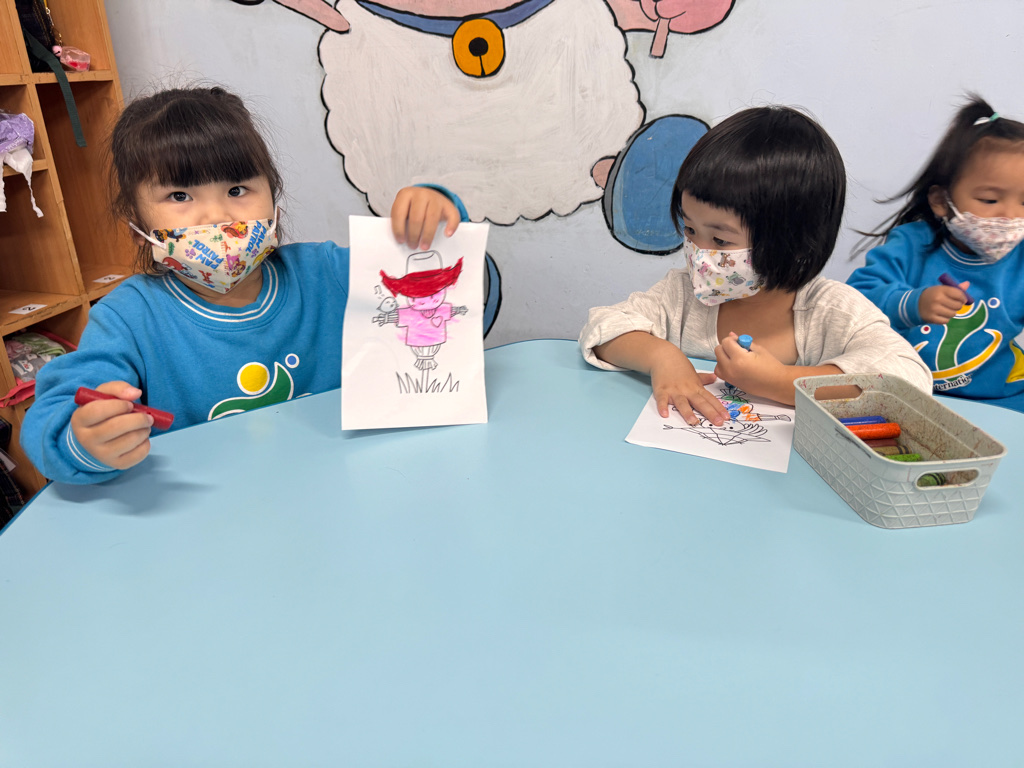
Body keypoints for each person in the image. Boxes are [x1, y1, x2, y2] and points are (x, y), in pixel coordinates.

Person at [20, 85, 465, 485]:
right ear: (137, 223)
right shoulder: (129, 318)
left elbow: (435, 284)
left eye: (237, 190)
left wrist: (435, 212)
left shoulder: (326, 272)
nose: (217, 216)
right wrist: (84, 439)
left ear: (273, 197)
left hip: (342, 488)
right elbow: (50, 420)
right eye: (179, 196)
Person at [579, 105, 931, 426]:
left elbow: (908, 380)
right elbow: (602, 328)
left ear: (794, 241)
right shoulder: (681, 295)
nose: (699, 252)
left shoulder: (832, 310)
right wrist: (661, 357)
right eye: (690, 229)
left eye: (720, 241)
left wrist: (779, 382)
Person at [847, 95, 1024, 410]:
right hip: (909, 396)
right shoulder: (910, 244)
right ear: (941, 200)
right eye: (989, 200)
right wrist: (913, 303)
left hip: (1004, 400)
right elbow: (854, 303)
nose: (1010, 215)